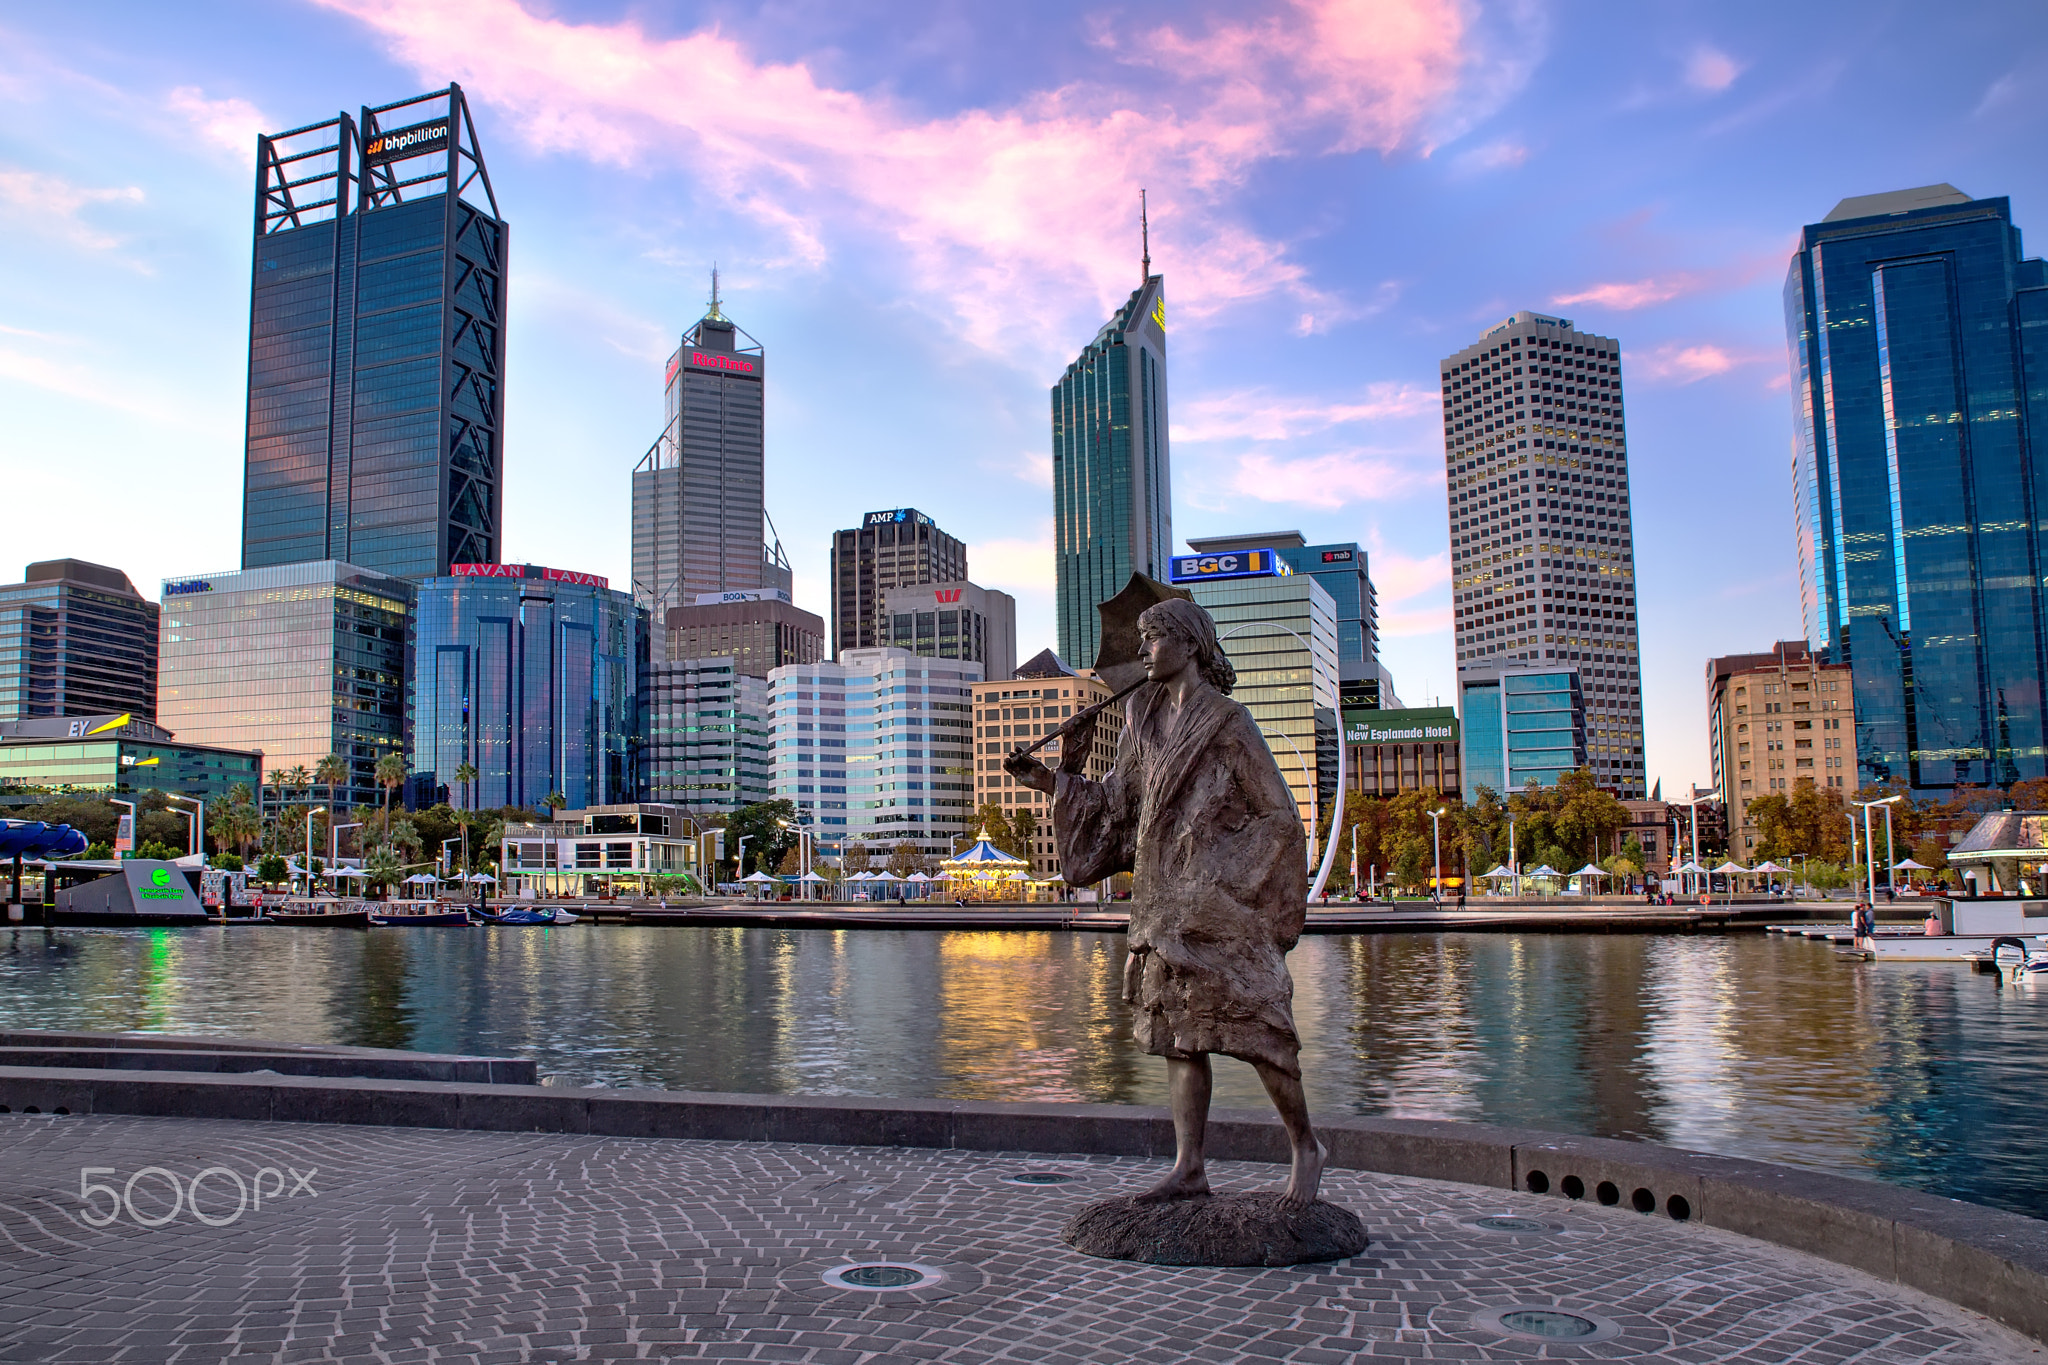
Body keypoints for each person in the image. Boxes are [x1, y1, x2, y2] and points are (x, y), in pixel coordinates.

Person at [1007, 597, 1324, 1209]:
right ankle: (1190, 1166)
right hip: (1161, 902)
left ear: (1189, 644)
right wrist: (1053, 777)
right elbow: (1118, 807)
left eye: (1153, 638)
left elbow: (1279, 817)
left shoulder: (1229, 722)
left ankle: (1306, 1145)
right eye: (1143, 639)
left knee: (1263, 1029)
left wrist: (1220, 875)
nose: (1145, 650)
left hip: (1214, 904)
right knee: (1179, 1035)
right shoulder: (1141, 720)